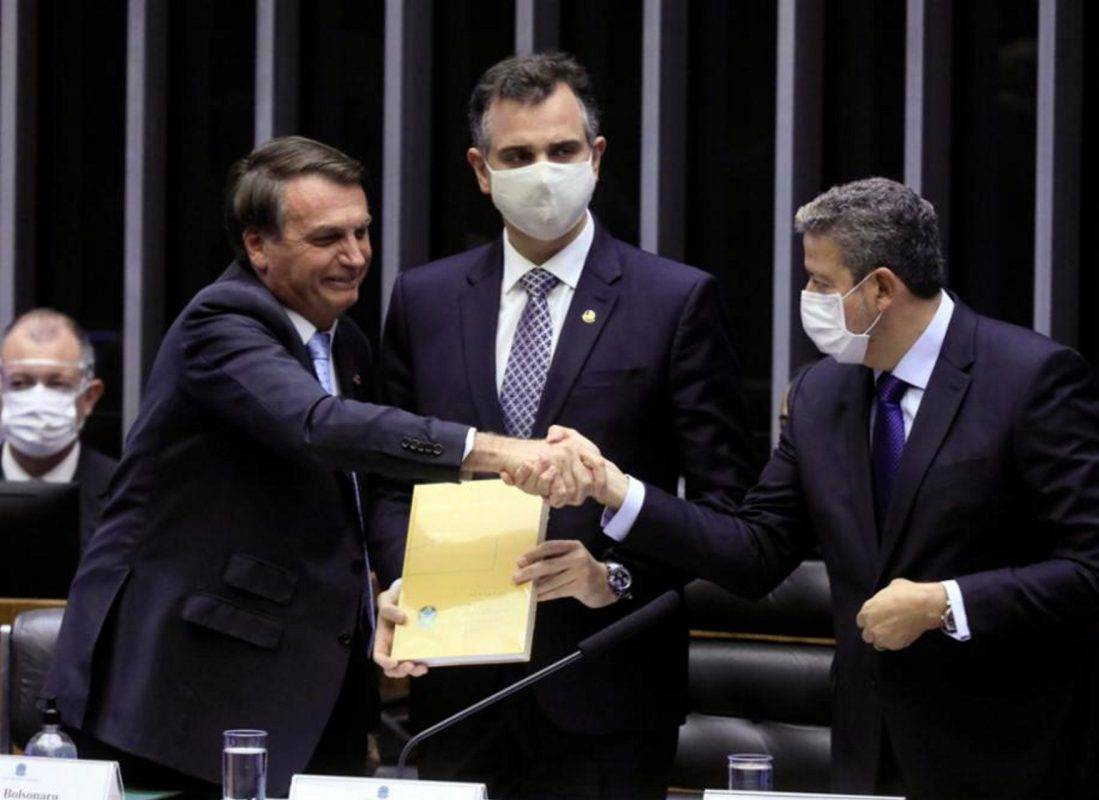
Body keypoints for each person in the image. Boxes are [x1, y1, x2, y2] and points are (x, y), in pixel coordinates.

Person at [510, 177, 1099, 798]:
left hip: (1022, 752)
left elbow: (1098, 568)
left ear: (881, 289)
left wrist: (945, 603)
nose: (808, 297)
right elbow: (754, 551)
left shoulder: (1031, 378)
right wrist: (618, 490)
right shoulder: (822, 393)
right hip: (874, 749)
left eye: (821, 282)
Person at [43, 135, 597, 796]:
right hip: (180, 696)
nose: (356, 256)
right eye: (328, 238)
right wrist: (497, 450)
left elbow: (356, 497)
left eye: (362, 232)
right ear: (258, 245)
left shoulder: (347, 346)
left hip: (305, 688)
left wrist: (396, 594)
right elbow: (317, 426)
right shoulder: (220, 323)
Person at [370, 52, 755, 800]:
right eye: (518, 156)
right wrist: (405, 577)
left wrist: (615, 577)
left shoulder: (674, 301)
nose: (543, 172)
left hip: (606, 689)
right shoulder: (424, 299)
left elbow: (726, 513)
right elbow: (391, 481)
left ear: (596, 157)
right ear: (481, 170)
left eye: (562, 150)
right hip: (454, 689)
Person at [0, 309, 115, 547]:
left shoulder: (124, 493)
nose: (38, 401)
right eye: (19, 383)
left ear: (89, 397)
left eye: (58, 384)